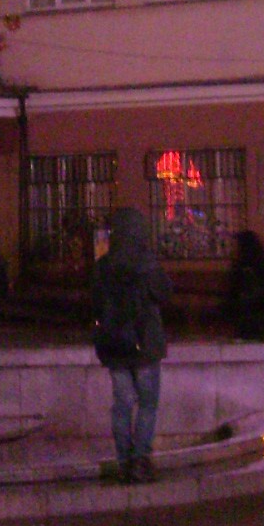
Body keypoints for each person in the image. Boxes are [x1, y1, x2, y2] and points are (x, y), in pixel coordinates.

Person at [92, 207, 173, 483]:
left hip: (115, 345)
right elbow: (164, 293)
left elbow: (94, 303)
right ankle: (141, 459)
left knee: (122, 404)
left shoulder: (103, 265)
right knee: (148, 403)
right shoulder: (147, 263)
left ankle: (124, 461)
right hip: (146, 344)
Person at [222, 229, 264, 340]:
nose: (233, 249)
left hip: (249, 312)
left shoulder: (245, 267)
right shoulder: (257, 264)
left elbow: (243, 289)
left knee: (248, 339)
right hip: (252, 311)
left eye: (236, 246)